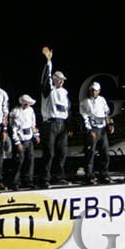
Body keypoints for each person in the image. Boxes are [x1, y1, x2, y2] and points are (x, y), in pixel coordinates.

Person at [40, 48, 71, 185]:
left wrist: (68, 126)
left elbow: (67, 109)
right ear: (55, 80)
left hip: (62, 124)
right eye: (60, 80)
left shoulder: (64, 92)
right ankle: (45, 178)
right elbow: (46, 77)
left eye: (63, 80)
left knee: (62, 152)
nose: (62, 82)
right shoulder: (48, 90)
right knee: (49, 152)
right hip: (50, 123)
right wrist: (49, 61)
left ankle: (59, 176)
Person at [81, 81, 112, 184]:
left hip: (102, 129)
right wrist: (89, 130)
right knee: (90, 153)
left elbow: (106, 113)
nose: (94, 92)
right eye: (92, 90)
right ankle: (89, 175)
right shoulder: (85, 102)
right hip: (93, 129)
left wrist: (110, 124)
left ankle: (104, 174)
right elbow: (85, 117)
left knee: (105, 152)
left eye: (96, 90)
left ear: (99, 91)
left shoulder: (102, 100)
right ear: (90, 90)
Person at [10, 94, 39, 189]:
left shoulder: (31, 110)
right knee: (19, 162)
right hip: (20, 140)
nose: (28, 105)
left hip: (29, 140)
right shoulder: (15, 112)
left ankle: (28, 181)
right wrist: (17, 142)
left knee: (30, 161)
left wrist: (36, 135)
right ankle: (15, 182)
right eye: (26, 103)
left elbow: (33, 124)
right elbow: (13, 129)